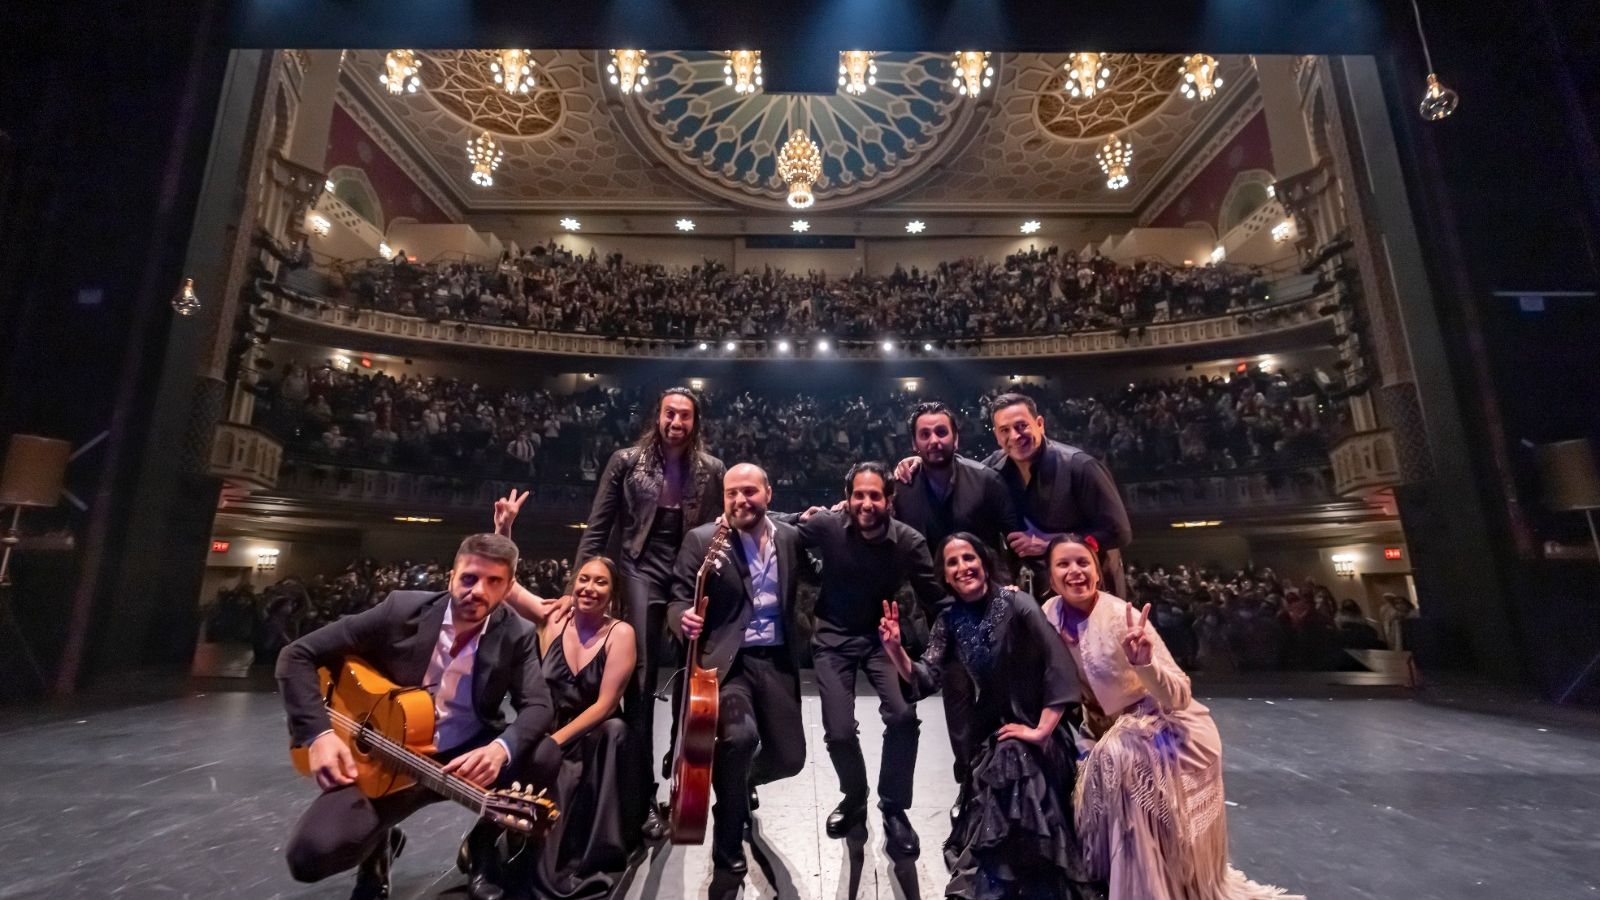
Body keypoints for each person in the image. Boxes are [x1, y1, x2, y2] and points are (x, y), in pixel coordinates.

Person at [276, 533, 556, 900]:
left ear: (507, 589)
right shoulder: (400, 611)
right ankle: (378, 846)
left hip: (462, 756)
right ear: (451, 577)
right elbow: (296, 655)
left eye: (494, 582)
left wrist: (500, 749)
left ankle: (481, 847)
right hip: (387, 753)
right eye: (469, 578)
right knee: (310, 856)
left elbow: (539, 705)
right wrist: (318, 734)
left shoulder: (515, 633)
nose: (478, 591)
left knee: (544, 753)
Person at [1040, 535, 1301, 900]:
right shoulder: (1048, 615)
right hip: (1101, 733)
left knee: (1119, 759)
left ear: (1098, 572)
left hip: (1162, 729)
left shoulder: (1122, 617)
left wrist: (1143, 663)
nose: (1075, 572)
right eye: (1063, 565)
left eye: (1083, 563)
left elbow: (1178, 694)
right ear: (1051, 578)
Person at [879, 533, 1101, 899]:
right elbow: (927, 676)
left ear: (983, 562)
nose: (963, 567)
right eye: (952, 563)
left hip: (1039, 734)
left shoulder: (1016, 602)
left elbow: (1057, 664)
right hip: (995, 738)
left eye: (969, 558)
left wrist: (1041, 730)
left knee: (1017, 764)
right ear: (945, 577)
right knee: (1007, 762)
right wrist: (896, 652)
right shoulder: (948, 620)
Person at [574, 387, 726, 839]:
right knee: (639, 682)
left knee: (691, 677)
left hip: (687, 569)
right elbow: (598, 524)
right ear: (657, 417)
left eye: (685, 416)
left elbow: (718, 528)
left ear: (696, 423)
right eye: (669, 414)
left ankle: (680, 766)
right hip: (640, 567)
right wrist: (577, 583)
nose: (676, 422)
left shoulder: (712, 469)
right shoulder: (625, 461)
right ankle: (640, 798)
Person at [783, 461, 946, 857]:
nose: (866, 502)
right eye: (859, 495)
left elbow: (935, 596)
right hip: (833, 637)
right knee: (838, 732)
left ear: (889, 500)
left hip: (881, 638)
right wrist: (795, 515)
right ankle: (854, 797)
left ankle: (893, 808)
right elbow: (781, 531)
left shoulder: (908, 541)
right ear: (847, 497)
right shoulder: (827, 526)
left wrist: (989, 603)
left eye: (875, 495)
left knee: (904, 718)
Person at [668, 463, 812, 876]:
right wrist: (683, 619)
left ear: (769, 493)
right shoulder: (703, 540)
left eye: (749, 491)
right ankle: (727, 836)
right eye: (731, 493)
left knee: (790, 758)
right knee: (738, 739)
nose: (739, 500)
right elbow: (677, 598)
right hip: (728, 664)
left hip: (778, 661)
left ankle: (739, 782)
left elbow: (818, 567)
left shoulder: (789, 538)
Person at [889, 400, 1021, 824]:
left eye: (941, 432)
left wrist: (1015, 593)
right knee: (958, 701)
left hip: (992, 608)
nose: (934, 441)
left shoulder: (985, 481)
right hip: (941, 613)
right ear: (914, 443)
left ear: (956, 437)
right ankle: (968, 787)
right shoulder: (904, 486)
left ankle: (1006, 791)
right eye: (924, 435)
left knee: (1003, 700)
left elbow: (1013, 538)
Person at [517, 557, 637, 899]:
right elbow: (507, 587)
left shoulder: (620, 633)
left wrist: (555, 742)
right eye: (584, 579)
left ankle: (589, 856)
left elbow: (606, 705)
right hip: (551, 725)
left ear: (612, 593)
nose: (589, 588)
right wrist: (503, 531)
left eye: (601, 582)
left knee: (613, 732)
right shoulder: (554, 619)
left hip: (592, 732)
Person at [984, 392, 1132, 596]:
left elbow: (1119, 533)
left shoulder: (1081, 467)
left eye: (1021, 426)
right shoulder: (992, 469)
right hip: (1038, 593)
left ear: (1039, 423)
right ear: (996, 436)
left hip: (1092, 590)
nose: (1015, 436)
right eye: (1005, 430)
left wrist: (1051, 543)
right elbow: (960, 474)